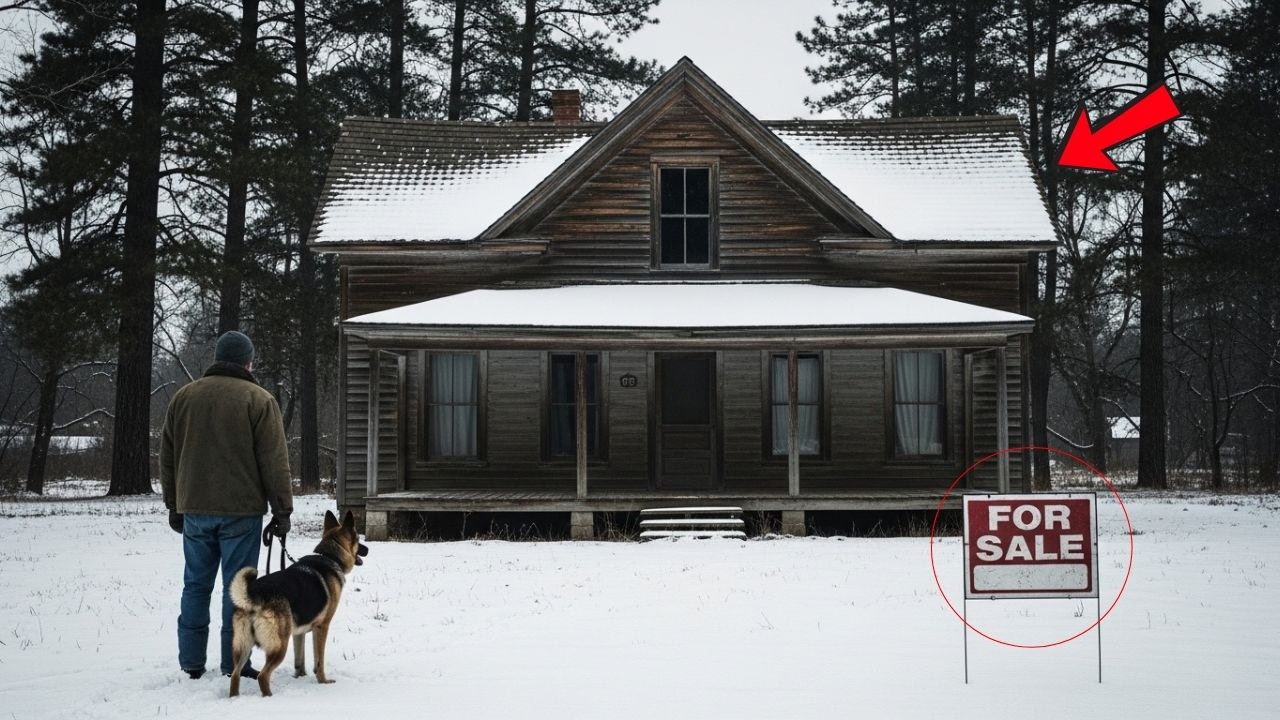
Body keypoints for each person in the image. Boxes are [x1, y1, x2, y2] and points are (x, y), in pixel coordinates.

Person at [161, 330, 293, 680]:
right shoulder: (258, 399)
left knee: (195, 585)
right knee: (237, 590)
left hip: (195, 510)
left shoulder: (184, 397)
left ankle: (191, 661)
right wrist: (282, 511)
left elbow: (168, 457)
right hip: (241, 511)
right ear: (247, 361)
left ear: (217, 358)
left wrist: (175, 504)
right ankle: (233, 662)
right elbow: (274, 462)